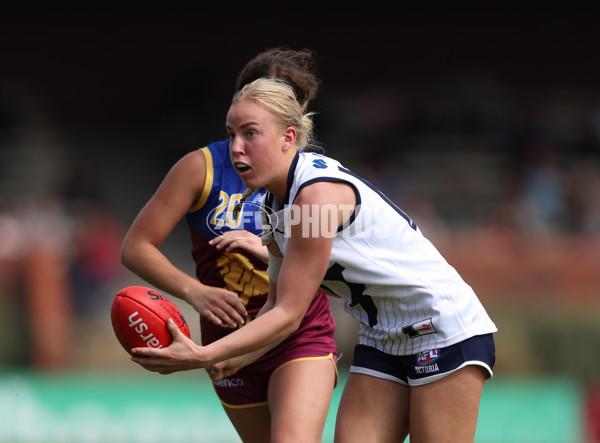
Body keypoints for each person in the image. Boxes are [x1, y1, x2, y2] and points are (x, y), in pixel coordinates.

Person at [131, 77, 498, 442]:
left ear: (288, 138)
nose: (236, 148)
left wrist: (201, 354)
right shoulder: (274, 204)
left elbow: (289, 314)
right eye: (231, 135)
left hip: (442, 329)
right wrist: (237, 357)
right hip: (380, 337)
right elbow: (274, 302)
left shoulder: (314, 200)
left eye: (250, 134)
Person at [121, 49, 337, 443]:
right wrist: (195, 291)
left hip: (298, 334)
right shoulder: (200, 168)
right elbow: (135, 247)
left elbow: (322, 271)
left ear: (296, 118)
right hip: (227, 339)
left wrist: (269, 246)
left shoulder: (314, 181)